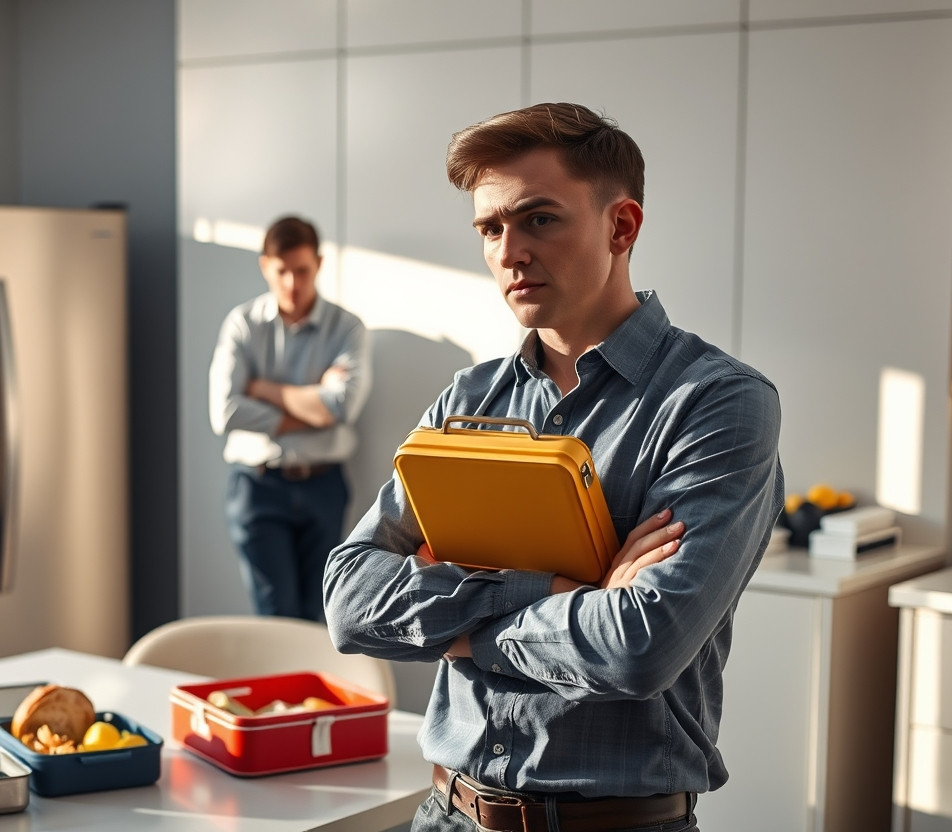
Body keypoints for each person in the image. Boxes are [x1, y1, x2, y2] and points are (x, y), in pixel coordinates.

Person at [324, 103, 784, 832]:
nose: (509, 251)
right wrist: (579, 590)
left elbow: (639, 646)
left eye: (539, 219)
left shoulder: (719, 404)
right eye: (490, 228)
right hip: (447, 815)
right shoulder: (465, 399)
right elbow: (350, 599)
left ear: (622, 227)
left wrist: (460, 623)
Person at [210, 216, 372, 622]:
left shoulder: (346, 327)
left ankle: (309, 688)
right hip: (257, 487)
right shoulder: (242, 325)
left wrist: (263, 389)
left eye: (302, 270)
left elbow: (341, 408)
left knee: (323, 616)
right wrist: (313, 402)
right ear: (266, 266)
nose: (292, 284)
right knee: (275, 618)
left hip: (324, 486)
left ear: (317, 264)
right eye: (282, 271)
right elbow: (225, 412)